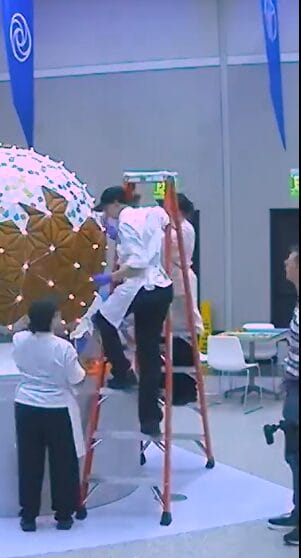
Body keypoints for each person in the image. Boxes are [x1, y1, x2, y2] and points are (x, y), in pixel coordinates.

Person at [72, 186, 173, 437]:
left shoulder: (127, 223)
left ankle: (122, 371)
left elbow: (136, 265)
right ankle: (150, 419)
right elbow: (165, 218)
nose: (107, 216)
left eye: (107, 210)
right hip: (162, 288)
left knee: (103, 320)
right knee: (149, 355)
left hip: (141, 287)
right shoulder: (151, 213)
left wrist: (110, 277)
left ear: (116, 204)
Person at [13, 299, 85, 532]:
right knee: (63, 462)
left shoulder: (20, 340)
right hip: (57, 408)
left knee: (29, 461)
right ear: (53, 318)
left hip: (25, 405)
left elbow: (18, 328)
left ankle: (29, 516)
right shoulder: (64, 347)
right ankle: (63, 515)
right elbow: (76, 378)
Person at [268, 246, 299, 547]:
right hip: (294, 385)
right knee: (293, 454)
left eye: (289, 261)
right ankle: (297, 511)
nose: (284, 264)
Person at [167, 194, 204, 405]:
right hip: (175, 282)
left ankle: (185, 390)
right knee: (173, 334)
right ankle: (175, 387)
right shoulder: (174, 227)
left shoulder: (183, 229)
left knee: (183, 330)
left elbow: (168, 245)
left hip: (180, 283)